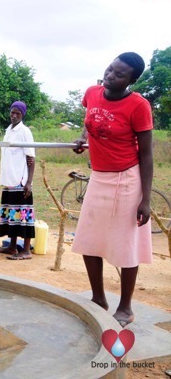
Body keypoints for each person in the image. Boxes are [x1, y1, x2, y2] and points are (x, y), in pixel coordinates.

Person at [71, 52, 153, 328]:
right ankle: (98, 299)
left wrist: (146, 199)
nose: (110, 76)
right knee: (88, 239)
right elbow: (89, 117)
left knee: (125, 243)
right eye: (109, 69)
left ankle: (126, 306)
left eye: (119, 74)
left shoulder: (138, 106)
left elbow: (147, 155)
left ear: (131, 79)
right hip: (99, 177)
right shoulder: (93, 93)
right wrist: (83, 137)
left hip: (126, 179)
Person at [0, 101, 36, 260]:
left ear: (22, 114)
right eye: (12, 112)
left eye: (18, 113)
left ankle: (26, 250)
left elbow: (31, 157)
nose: (14, 116)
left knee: (23, 215)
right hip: (9, 179)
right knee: (12, 214)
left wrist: (29, 182)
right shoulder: (8, 131)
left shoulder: (24, 131)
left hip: (20, 179)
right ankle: (11, 246)